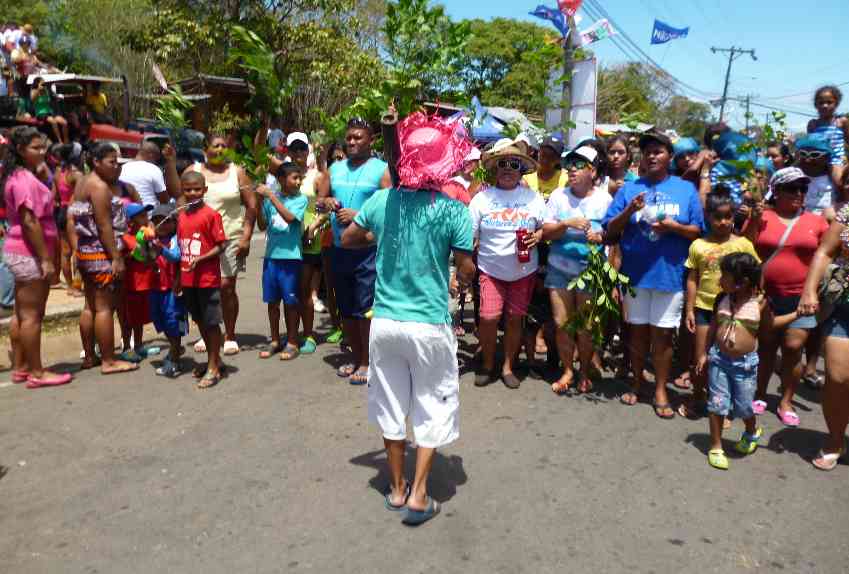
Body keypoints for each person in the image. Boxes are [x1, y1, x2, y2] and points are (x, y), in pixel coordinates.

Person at [341, 111, 475, 525]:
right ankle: (419, 494)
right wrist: (459, 277)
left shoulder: (382, 201)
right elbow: (466, 270)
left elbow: (347, 239)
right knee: (432, 405)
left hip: (385, 322)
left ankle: (396, 489)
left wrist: (377, 235)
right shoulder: (454, 210)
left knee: (391, 404)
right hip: (429, 323)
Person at [603, 130, 704, 418]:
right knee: (636, 334)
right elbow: (610, 229)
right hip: (635, 276)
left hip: (668, 276)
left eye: (658, 151)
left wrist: (674, 227)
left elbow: (698, 231)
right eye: (648, 151)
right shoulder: (630, 189)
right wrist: (629, 211)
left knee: (662, 336)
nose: (652, 155)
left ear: (669, 157)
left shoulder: (685, 190)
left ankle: (660, 389)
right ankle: (636, 383)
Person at [695, 253, 798, 470]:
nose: (720, 280)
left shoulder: (760, 304)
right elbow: (714, 327)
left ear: (742, 282)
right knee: (717, 404)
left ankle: (752, 432)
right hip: (719, 360)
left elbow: (771, 325)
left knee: (743, 407)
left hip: (745, 365)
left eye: (725, 276)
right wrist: (704, 353)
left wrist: (796, 314)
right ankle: (716, 446)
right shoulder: (721, 299)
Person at [746, 167, 829, 427]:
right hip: (766, 295)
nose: (799, 193)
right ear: (777, 191)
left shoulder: (816, 221)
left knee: (794, 348)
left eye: (803, 189)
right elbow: (746, 248)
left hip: (802, 297)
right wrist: (754, 221)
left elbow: (826, 255)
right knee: (767, 346)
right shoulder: (763, 216)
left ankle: (786, 400)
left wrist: (814, 291)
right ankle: (760, 393)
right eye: (792, 188)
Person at [317, 117, 391, 384]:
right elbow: (319, 201)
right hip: (339, 249)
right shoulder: (335, 169)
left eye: (358, 137)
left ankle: (367, 362)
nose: (352, 142)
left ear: (370, 140)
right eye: (349, 138)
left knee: (365, 308)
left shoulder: (382, 170)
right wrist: (327, 203)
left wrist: (359, 215)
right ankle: (355, 354)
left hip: (368, 250)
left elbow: (390, 208)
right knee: (346, 307)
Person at [469, 140, 546, 389]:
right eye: (502, 164)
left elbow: (544, 226)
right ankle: (488, 364)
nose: (508, 169)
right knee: (488, 317)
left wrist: (539, 236)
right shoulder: (482, 199)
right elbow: (471, 235)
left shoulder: (533, 198)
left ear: (521, 168)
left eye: (514, 164)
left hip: (524, 271)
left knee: (515, 319)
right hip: (490, 270)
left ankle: (508, 366)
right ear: (495, 168)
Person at [2, 126, 71, 387]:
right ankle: (37, 372)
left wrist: (46, 174)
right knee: (32, 315)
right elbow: (30, 221)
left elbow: (48, 202)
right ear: (20, 150)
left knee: (22, 313)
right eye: (35, 147)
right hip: (28, 252)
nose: (42, 151)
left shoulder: (23, 176)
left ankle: (21, 367)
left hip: (21, 251)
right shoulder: (22, 180)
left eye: (43, 146)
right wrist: (44, 258)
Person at [682, 191, 760, 417]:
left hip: (734, 311)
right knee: (701, 358)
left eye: (728, 216)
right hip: (705, 308)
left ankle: (726, 407)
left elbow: (755, 274)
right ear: (707, 217)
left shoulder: (743, 244)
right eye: (717, 217)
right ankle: (699, 397)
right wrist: (689, 309)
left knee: (729, 359)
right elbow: (692, 278)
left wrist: (754, 303)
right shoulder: (698, 245)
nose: (724, 222)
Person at [542, 145, 611, 394]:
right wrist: (566, 223)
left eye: (579, 164)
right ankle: (567, 370)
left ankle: (584, 371)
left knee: (586, 326)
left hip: (589, 270)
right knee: (562, 323)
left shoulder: (604, 199)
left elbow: (614, 234)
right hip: (559, 270)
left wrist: (600, 236)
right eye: (570, 164)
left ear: (592, 172)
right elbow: (545, 231)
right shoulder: (559, 196)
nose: (572, 169)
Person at [69, 143, 139, 375]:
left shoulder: (82, 182)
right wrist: (116, 258)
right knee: (104, 308)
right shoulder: (98, 187)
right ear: (96, 162)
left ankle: (90, 356)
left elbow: (72, 217)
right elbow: (104, 225)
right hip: (101, 253)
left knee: (90, 306)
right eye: (112, 162)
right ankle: (109, 360)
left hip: (86, 251)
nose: (116, 166)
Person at [187, 134, 257, 356]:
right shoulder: (194, 170)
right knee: (202, 289)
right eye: (215, 146)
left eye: (224, 146)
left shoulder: (237, 172)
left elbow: (252, 206)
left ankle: (230, 335)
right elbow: (180, 198)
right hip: (200, 240)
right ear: (205, 148)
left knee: (227, 287)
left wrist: (246, 237)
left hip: (230, 237)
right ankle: (206, 332)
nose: (220, 150)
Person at [799, 202, 849, 469]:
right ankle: (835, 439)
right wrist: (809, 290)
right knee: (839, 378)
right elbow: (825, 252)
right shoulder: (848, 212)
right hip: (845, 306)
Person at [178, 171, 227, 388]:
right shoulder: (181, 215)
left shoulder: (211, 215)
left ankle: (214, 367)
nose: (192, 193)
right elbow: (181, 248)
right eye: (187, 189)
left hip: (207, 279)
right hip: (189, 279)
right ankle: (214, 359)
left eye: (196, 189)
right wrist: (179, 277)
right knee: (199, 320)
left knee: (211, 322)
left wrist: (202, 258)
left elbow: (221, 245)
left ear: (204, 190)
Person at [256, 162, 308, 360]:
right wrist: (259, 201)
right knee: (272, 301)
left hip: (291, 258)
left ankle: (293, 341)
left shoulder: (300, 199)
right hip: (271, 258)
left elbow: (289, 218)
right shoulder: (271, 201)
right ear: (281, 180)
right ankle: (275, 340)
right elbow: (262, 225)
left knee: (291, 301)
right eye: (294, 178)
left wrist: (270, 196)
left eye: (299, 178)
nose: (298, 182)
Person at [285, 132, 328, 355]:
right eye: (295, 149)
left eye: (303, 148)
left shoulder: (317, 177)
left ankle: (309, 334)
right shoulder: (284, 175)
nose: (299, 153)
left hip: (309, 238)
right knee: (288, 291)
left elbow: (324, 210)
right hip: (287, 240)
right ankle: (291, 335)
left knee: (304, 290)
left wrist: (312, 228)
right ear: (289, 152)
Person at [148, 203, 187, 377]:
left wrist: (161, 249)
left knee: (174, 321)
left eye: (165, 221)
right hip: (155, 287)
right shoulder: (152, 240)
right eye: (156, 222)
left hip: (172, 288)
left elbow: (175, 256)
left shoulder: (175, 239)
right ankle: (174, 348)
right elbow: (142, 258)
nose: (161, 226)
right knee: (160, 320)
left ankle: (175, 356)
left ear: (174, 222)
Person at [118, 203, 156, 362]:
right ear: (130, 221)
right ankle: (126, 347)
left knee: (140, 318)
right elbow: (120, 259)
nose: (146, 218)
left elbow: (152, 257)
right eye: (141, 216)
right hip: (131, 284)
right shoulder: (124, 238)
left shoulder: (146, 236)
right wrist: (132, 253)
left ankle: (139, 345)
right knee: (128, 318)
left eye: (146, 215)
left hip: (145, 283)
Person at [53, 142, 84, 295]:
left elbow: (55, 196)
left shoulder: (58, 172)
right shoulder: (77, 175)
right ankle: (77, 287)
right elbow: (81, 197)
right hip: (73, 213)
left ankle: (70, 286)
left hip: (61, 211)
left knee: (65, 252)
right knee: (77, 250)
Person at [807, 85, 848, 187]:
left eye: (829, 102)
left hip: (834, 159)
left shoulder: (841, 121)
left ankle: (842, 200)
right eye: (821, 103)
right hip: (817, 159)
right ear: (816, 105)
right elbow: (809, 145)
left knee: (838, 182)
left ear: (836, 104)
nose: (825, 105)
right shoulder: (813, 124)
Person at [119, 141, 180, 208]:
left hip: (126, 210)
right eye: (156, 159)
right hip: (148, 213)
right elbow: (164, 199)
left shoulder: (123, 167)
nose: (155, 162)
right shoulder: (154, 169)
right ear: (151, 155)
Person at [796, 136, 840, 222]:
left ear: (826, 157)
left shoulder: (834, 178)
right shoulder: (794, 176)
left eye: (815, 154)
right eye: (803, 154)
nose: (808, 160)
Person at [22, 78, 68, 144]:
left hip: (49, 112)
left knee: (64, 122)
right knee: (53, 122)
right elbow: (32, 99)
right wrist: (38, 90)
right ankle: (59, 140)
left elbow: (51, 98)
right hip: (40, 113)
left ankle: (66, 139)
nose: (44, 85)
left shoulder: (46, 90)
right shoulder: (34, 91)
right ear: (37, 84)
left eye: (44, 83)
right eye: (42, 83)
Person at [523, 136, 568, 201]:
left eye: (551, 157)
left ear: (558, 160)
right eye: (543, 155)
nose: (545, 160)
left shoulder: (566, 180)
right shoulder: (526, 178)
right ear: (538, 153)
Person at [605, 134, 637, 198]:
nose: (616, 156)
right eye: (612, 152)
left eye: (621, 152)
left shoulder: (635, 181)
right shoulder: (600, 179)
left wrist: (626, 191)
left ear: (628, 156)